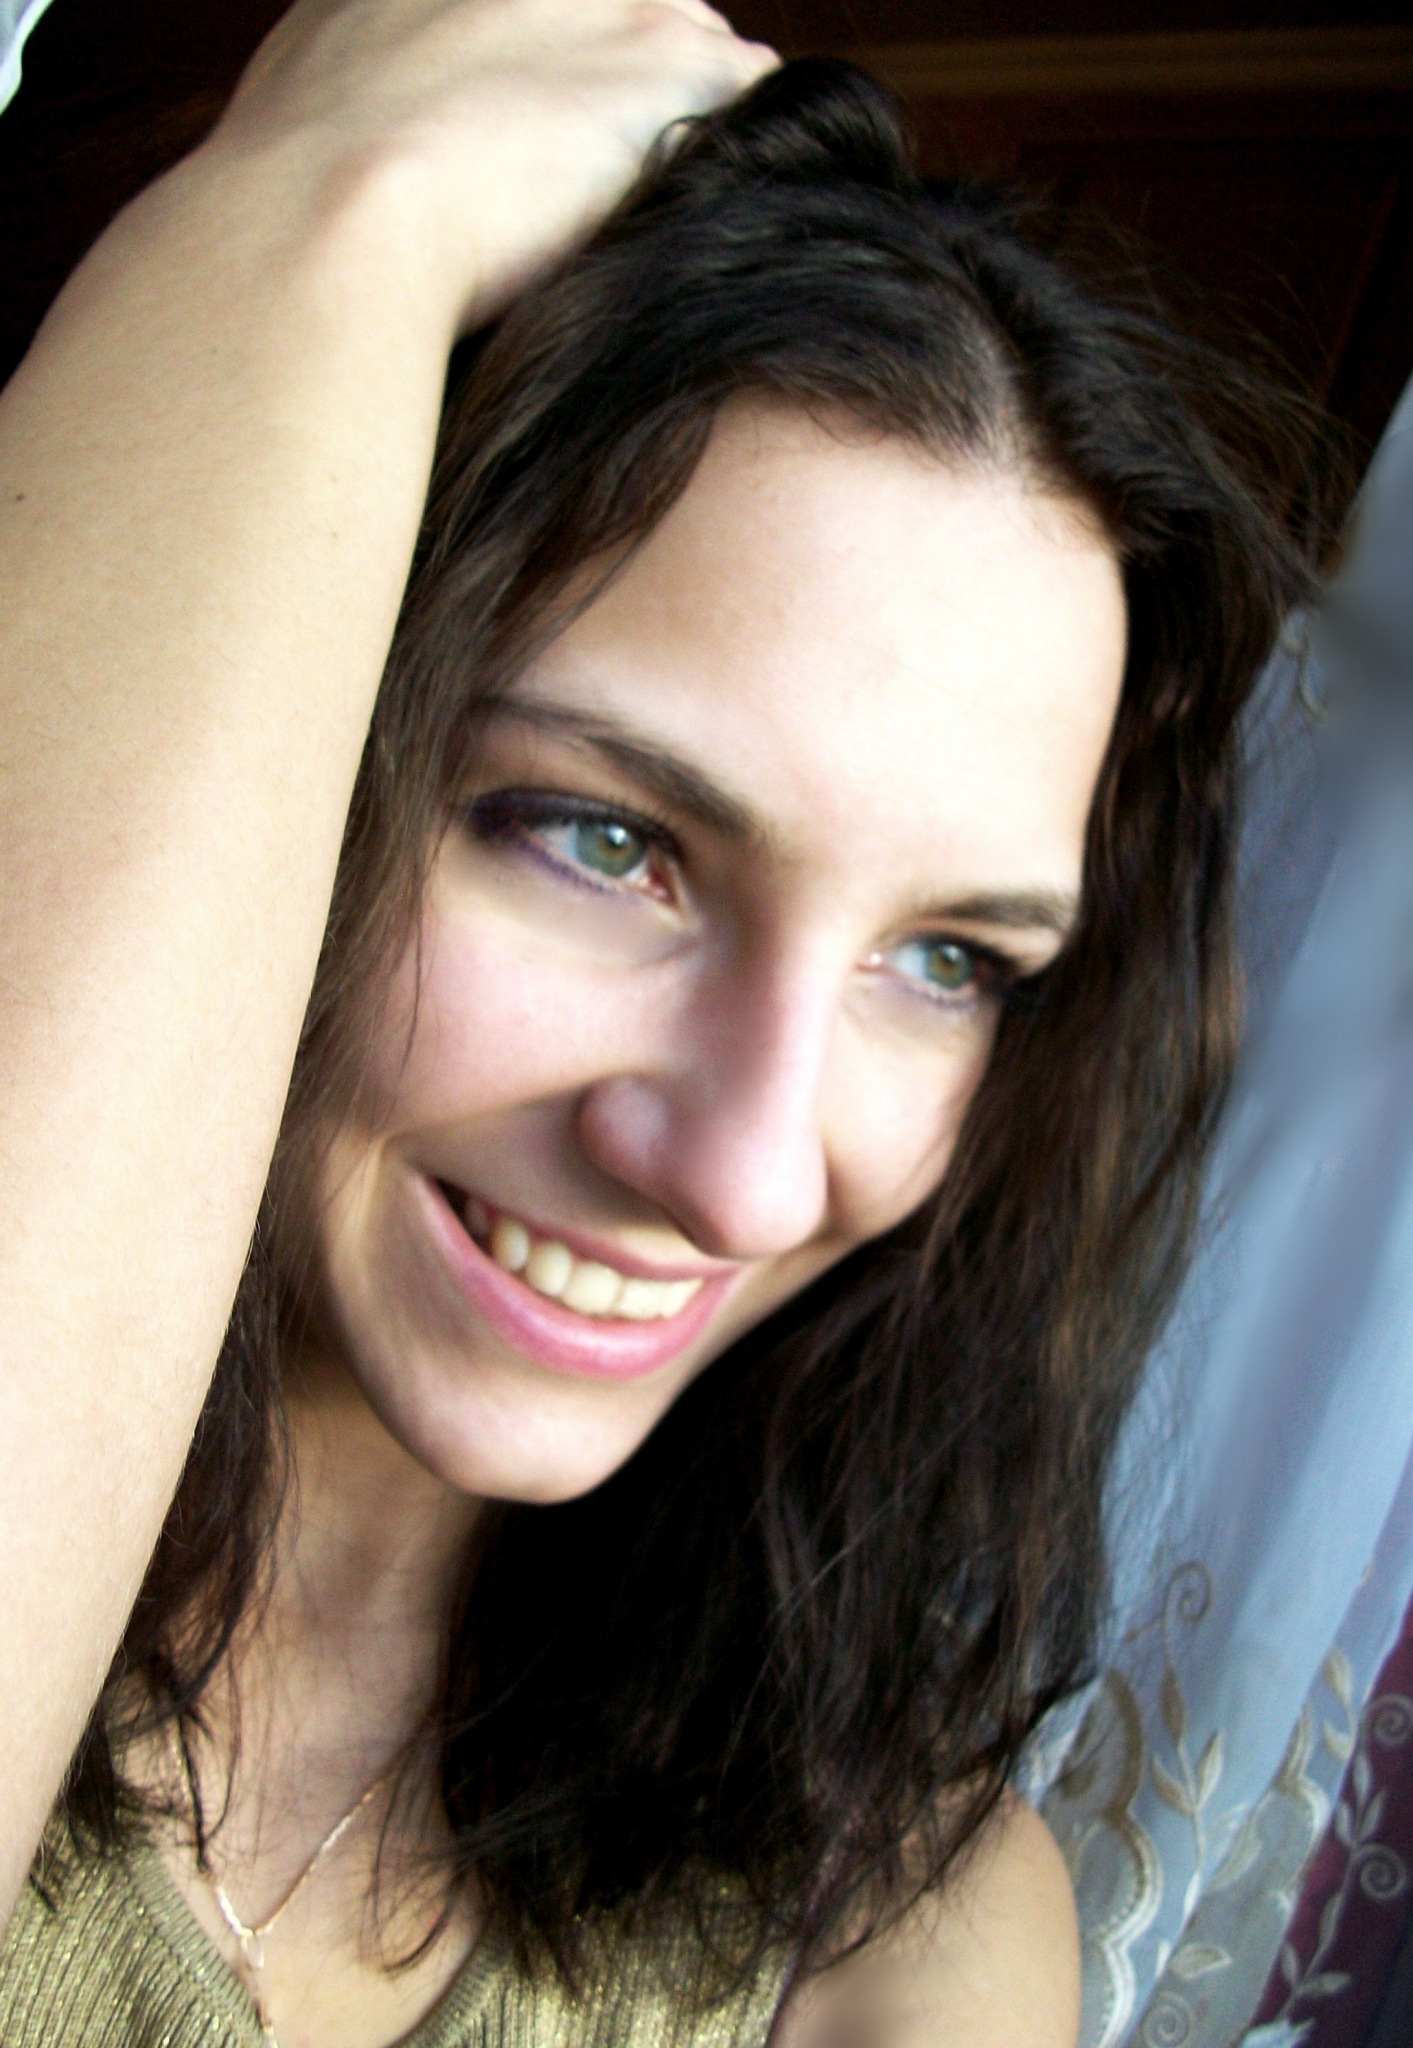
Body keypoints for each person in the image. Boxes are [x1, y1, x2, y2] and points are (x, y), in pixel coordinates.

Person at [0, 3, 1313, 2042]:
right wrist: (322, 218)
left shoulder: (894, 1928)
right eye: (601, 839)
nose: (748, 1175)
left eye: (947, 961)